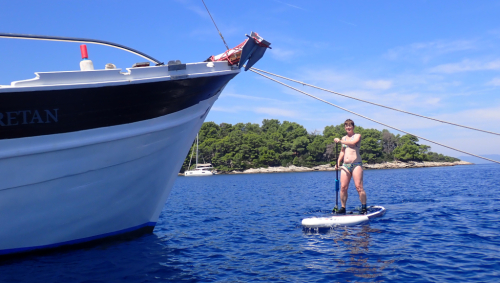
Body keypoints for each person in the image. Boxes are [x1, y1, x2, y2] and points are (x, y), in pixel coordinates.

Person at [334, 119, 367, 214]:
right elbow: (342, 151)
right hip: (345, 165)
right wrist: (338, 162)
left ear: (353, 127)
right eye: (346, 126)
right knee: (343, 187)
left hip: (356, 164)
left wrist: (340, 141)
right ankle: (343, 208)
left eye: (350, 126)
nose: (348, 127)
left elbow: (353, 143)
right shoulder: (343, 138)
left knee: (359, 187)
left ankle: (364, 207)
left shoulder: (357, 136)